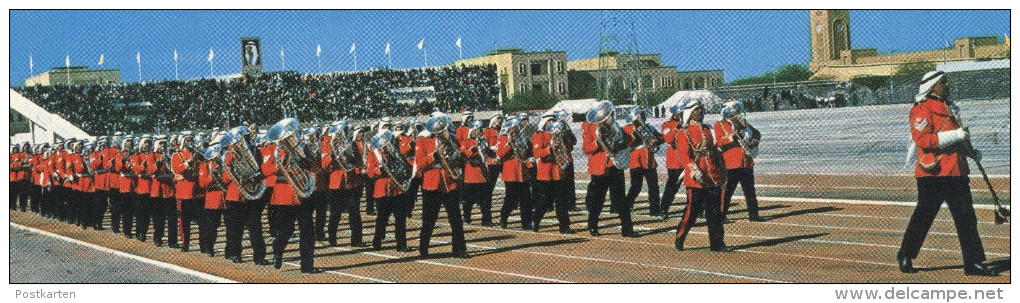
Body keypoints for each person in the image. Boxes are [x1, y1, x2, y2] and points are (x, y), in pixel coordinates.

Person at [897, 71, 996, 276]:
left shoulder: (951, 107)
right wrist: (956, 134)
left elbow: (958, 141)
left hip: (956, 171)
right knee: (924, 216)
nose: (947, 84)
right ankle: (906, 253)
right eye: (943, 82)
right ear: (933, 86)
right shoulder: (921, 109)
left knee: (966, 218)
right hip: (933, 173)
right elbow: (924, 140)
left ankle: (973, 262)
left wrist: (970, 152)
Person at [672, 100, 731, 252]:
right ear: (690, 113)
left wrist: (722, 170)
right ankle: (680, 237)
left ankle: (717, 243)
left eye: (701, 109)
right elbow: (685, 157)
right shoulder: (683, 132)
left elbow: (715, 151)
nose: (700, 112)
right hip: (696, 179)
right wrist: (694, 170)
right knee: (691, 212)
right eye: (697, 110)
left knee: (715, 213)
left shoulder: (707, 129)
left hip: (712, 176)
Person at [264, 120, 320, 273]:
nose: (289, 138)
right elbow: (265, 168)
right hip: (286, 195)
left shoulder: (303, 148)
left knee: (307, 231)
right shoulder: (275, 151)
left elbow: (315, 167)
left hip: (302, 193)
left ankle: (307, 266)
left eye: (291, 135)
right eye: (286, 136)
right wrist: (279, 164)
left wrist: (307, 160)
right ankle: (278, 248)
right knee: (286, 230)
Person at [415, 111, 468, 258]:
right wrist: (433, 156)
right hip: (432, 183)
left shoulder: (451, 138)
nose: (440, 128)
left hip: (449, 182)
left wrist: (453, 151)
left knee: (456, 218)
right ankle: (423, 249)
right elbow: (419, 163)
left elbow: (459, 156)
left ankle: (459, 249)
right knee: (429, 219)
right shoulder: (423, 139)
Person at [582, 101, 636, 237]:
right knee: (598, 200)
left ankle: (627, 229)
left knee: (621, 199)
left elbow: (627, 139)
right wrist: (599, 142)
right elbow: (586, 149)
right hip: (600, 168)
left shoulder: (614, 125)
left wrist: (623, 142)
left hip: (615, 165)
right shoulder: (589, 126)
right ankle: (592, 226)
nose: (606, 116)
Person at [715, 101, 763, 222]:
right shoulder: (720, 125)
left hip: (746, 162)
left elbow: (757, 133)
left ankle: (754, 214)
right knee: (727, 191)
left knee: (750, 191)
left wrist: (755, 141)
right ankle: (721, 215)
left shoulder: (744, 124)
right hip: (730, 163)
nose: (737, 114)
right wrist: (732, 136)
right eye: (734, 112)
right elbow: (720, 141)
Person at [322, 122, 366, 248]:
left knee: (355, 212)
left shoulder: (351, 144)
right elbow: (324, 164)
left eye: (344, 130)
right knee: (335, 213)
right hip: (336, 183)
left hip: (350, 182)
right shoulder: (328, 145)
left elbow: (358, 163)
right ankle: (332, 239)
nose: (342, 133)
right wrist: (335, 156)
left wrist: (349, 157)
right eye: (340, 130)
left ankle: (356, 239)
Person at [366, 130, 411, 252]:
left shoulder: (394, 151)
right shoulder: (373, 153)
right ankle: (377, 241)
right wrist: (380, 169)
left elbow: (403, 164)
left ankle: (401, 244)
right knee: (382, 218)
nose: (386, 142)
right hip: (383, 190)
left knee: (400, 218)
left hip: (397, 189)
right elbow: (370, 172)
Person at [531, 114, 575, 233]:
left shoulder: (559, 135)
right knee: (546, 200)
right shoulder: (539, 135)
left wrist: (566, 135)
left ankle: (564, 226)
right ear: (544, 123)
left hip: (559, 170)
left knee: (561, 200)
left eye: (553, 120)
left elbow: (570, 148)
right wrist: (549, 149)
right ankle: (535, 220)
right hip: (546, 171)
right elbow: (536, 152)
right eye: (549, 121)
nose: (551, 123)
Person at [623, 108, 663, 218]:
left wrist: (656, 140)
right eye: (640, 116)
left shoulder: (649, 127)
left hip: (649, 160)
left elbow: (661, 137)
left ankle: (655, 211)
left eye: (643, 116)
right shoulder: (627, 129)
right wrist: (635, 134)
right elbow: (626, 144)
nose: (643, 118)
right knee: (636, 186)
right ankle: (626, 206)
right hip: (636, 160)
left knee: (654, 186)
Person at [496, 117, 533, 230]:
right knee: (510, 199)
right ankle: (504, 217)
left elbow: (528, 151)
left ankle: (526, 222)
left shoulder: (523, 137)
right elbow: (500, 153)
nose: (515, 128)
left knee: (526, 199)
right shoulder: (503, 138)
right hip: (511, 171)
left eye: (517, 126)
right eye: (513, 126)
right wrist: (509, 143)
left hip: (523, 170)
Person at [172, 132, 203, 252]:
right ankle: (186, 243)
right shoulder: (177, 155)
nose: (190, 142)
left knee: (201, 220)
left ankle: (202, 244)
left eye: (191, 139)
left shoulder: (196, 153)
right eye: (187, 140)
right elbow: (177, 169)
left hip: (197, 191)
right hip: (184, 192)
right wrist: (190, 160)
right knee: (184, 221)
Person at [460, 120, 492, 226]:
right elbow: (465, 155)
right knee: (469, 199)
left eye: (479, 130)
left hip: (483, 173)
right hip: (471, 174)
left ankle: (486, 219)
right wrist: (474, 147)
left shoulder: (485, 141)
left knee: (485, 199)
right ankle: (467, 216)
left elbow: (488, 154)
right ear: (471, 131)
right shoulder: (466, 142)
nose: (477, 132)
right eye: (475, 130)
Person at [149, 137, 178, 248]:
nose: (163, 146)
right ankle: (158, 237)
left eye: (164, 144)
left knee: (172, 218)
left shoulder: (171, 155)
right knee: (158, 218)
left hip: (169, 191)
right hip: (157, 191)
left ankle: (173, 241)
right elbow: (151, 171)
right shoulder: (152, 155)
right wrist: (159, 161)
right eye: (161, 144)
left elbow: (173, 170)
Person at [198, 143, 227, 257]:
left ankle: (231, 252)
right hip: (212, 199)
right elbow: (202, 183)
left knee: (230, 227)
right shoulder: (205, 165)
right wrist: (213, 175)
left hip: (225, 198)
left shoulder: (225, 164)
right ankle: (209, 246)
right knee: (211, 227)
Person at [659, 103, 686, 220]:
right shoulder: (667, 125)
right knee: (672, 186)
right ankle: (664, 208)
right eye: (679, 112)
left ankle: (698, 209)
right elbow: (668, 139)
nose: (681, 114)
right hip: (675, 161)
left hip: (688, 159)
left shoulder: (687, 124)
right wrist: (677, 128)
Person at [132, 136, 153, 242]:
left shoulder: (152, 156)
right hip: (140, 189)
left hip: (151, 188)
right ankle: (139, 232)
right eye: (145, 143)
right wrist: (144, 167)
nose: (147, 145)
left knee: (148, 214)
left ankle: (143, 232)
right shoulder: (137, 156)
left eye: (149, 143)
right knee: (141, 213)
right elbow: (136, 169)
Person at [114, 136, 136, 237]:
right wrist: (123, 159)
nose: (129, 144)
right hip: (124, 185)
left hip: (134, 184)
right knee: (125, 209)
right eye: (127, 142)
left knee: (131, 210)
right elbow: (118, 168)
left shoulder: (135, 155)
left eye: (131, 142)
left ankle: (130, 229)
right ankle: (126, 230)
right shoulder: (120, 155)